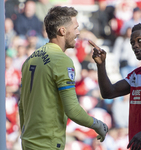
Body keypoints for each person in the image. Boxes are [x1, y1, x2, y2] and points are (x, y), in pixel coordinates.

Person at [18, 6, 108, 150]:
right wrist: (98, 125)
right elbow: (72, 110)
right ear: (63, 31)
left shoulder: (30, 59)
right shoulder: (61, 60)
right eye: (76, 27)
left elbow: (22, 106)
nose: (78, 32)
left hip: (28, 142)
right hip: (48, 144)